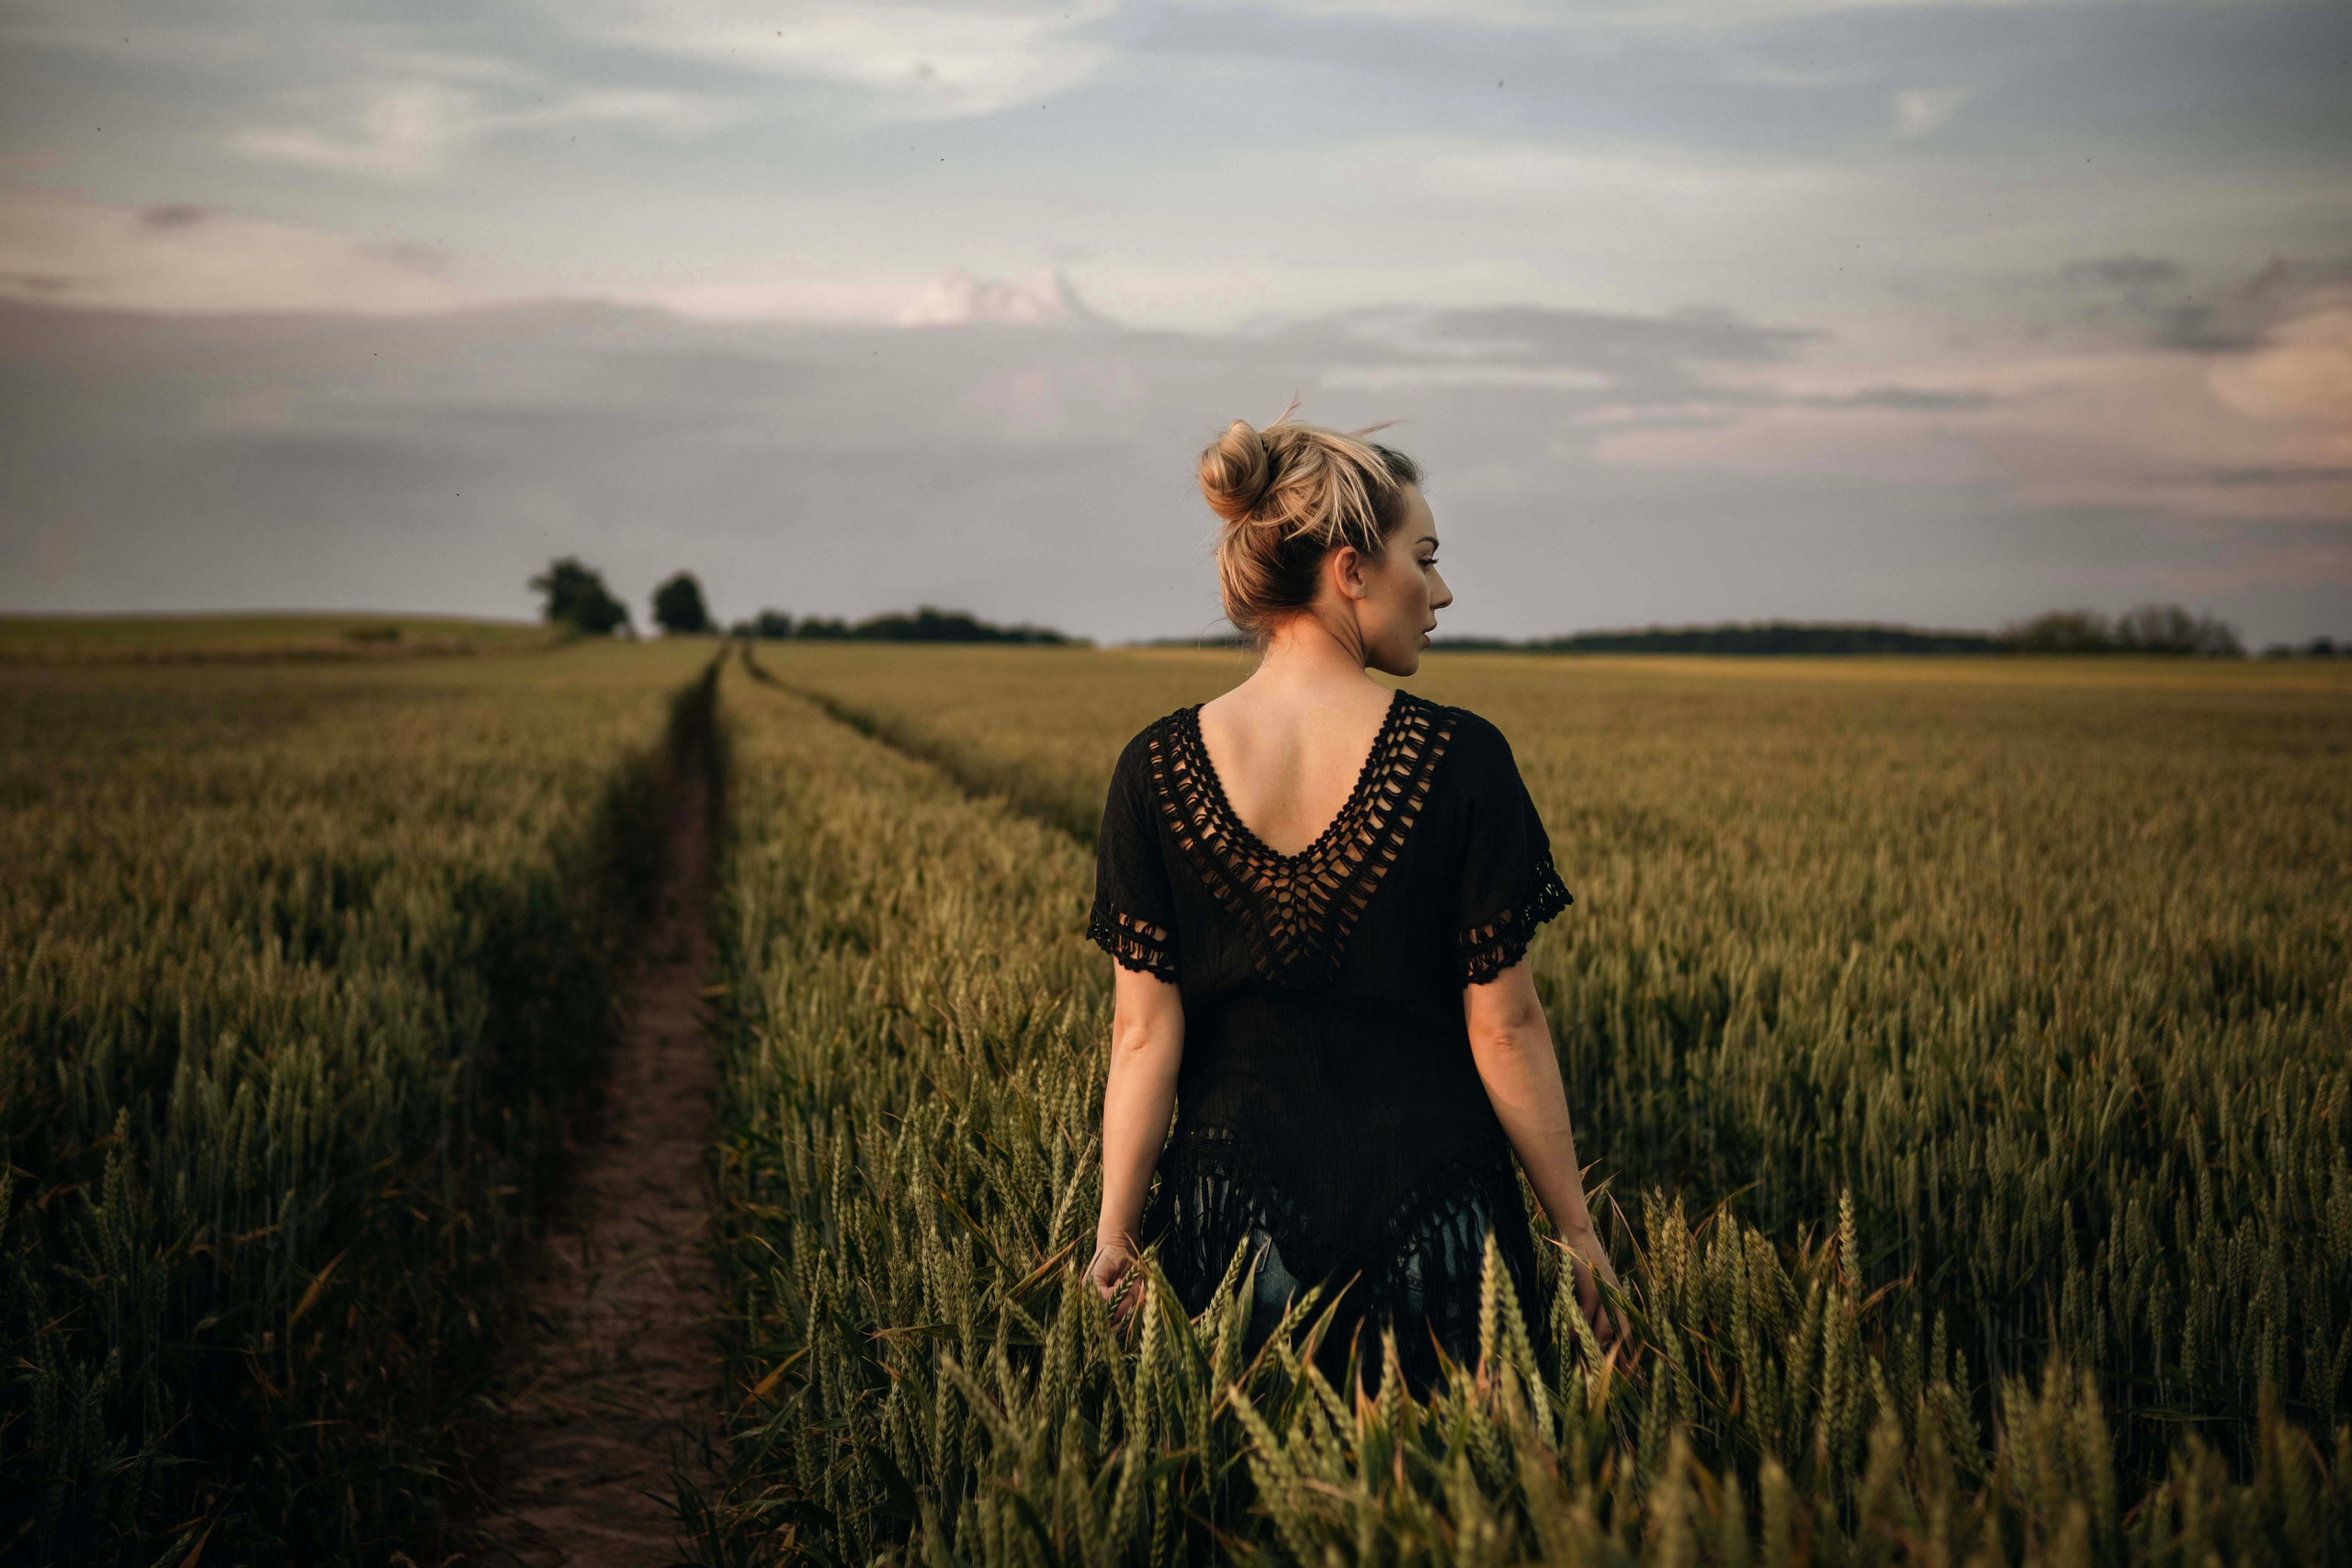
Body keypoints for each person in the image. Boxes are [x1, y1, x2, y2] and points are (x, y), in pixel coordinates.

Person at [1084, 407, 1623, 1392]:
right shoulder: (1462, 759)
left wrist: (1115, 1237)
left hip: (1231, 1237)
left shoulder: (1152, 769)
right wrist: (1575, 1231)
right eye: (1424, 555)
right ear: (1349, 569)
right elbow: (1504, 1030)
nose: (1443, 591)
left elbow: (1140, 1035)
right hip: (1441, 1225)